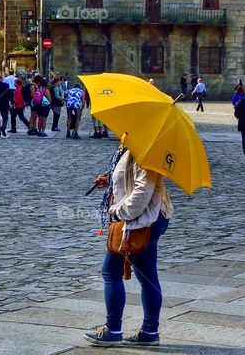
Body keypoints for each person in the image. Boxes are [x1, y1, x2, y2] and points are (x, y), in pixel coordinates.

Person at [84, 145, 173, 348]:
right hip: (149, 218)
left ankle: (112, 329)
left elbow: (142, 192)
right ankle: (150, 331)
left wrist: (118, 214)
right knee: (147, 275)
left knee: (111, 271)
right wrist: (110, 182)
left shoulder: (146, 149)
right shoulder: (131, 145)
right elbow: (129, 177)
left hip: (142, 219)